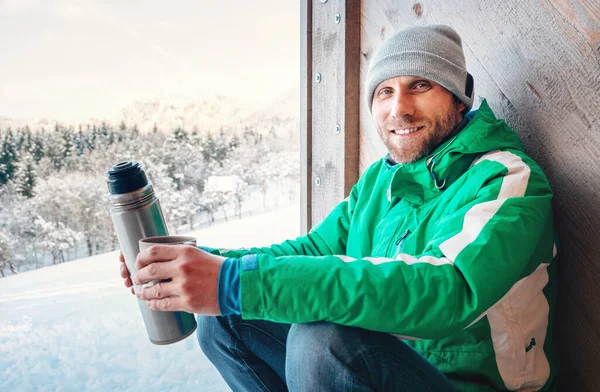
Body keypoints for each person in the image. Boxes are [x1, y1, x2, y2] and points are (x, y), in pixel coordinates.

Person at [120, 25, 558, 391]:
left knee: (321, 340)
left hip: (468, 385)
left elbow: (450, 289)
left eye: (420, 85)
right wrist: (199, 269)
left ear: (459, 98)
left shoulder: (506, 179)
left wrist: (235, 282)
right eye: (384, 92)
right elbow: (313, 251)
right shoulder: (380, 182)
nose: (399, 108)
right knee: (230, 319)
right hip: (388, 365)